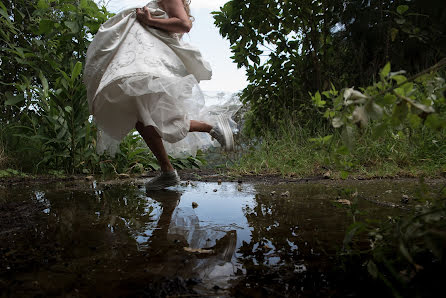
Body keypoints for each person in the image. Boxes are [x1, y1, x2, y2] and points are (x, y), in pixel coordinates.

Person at [83, 0, 238, 190]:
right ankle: (168, 170)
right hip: (144, 65)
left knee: (150, 118)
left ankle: (208, 131)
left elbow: (183, 25)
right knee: (143, 119)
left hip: (148, 67)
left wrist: (148, 20)